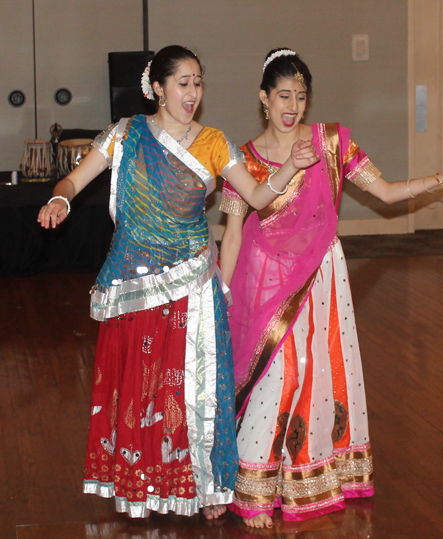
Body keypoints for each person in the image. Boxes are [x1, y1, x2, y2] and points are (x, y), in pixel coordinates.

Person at [37, 45, 318, 520]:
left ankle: (206, 486)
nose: (193, 93)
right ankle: (143, 483)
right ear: (158, 88)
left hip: (192, 282)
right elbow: (73, 181)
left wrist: (290, 166)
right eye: (183, 83)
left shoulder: (213, 142)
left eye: (198, 82)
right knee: (143, 388)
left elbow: (255, 195)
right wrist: (60, 201)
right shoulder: (125, 136)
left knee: (196, 388)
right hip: (136, 284)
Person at [219, 48, 443, 528]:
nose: (292, 106)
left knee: (314, 373)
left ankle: (306, 476)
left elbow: (384, 192)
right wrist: (223, 287)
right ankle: (253, 486)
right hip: (263, 280)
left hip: (317, 272)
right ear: (263, 98)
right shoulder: (245, 158)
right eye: (283, 95)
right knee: (275, 375)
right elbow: (233, 230)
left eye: (301, 96)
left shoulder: (330, 144)